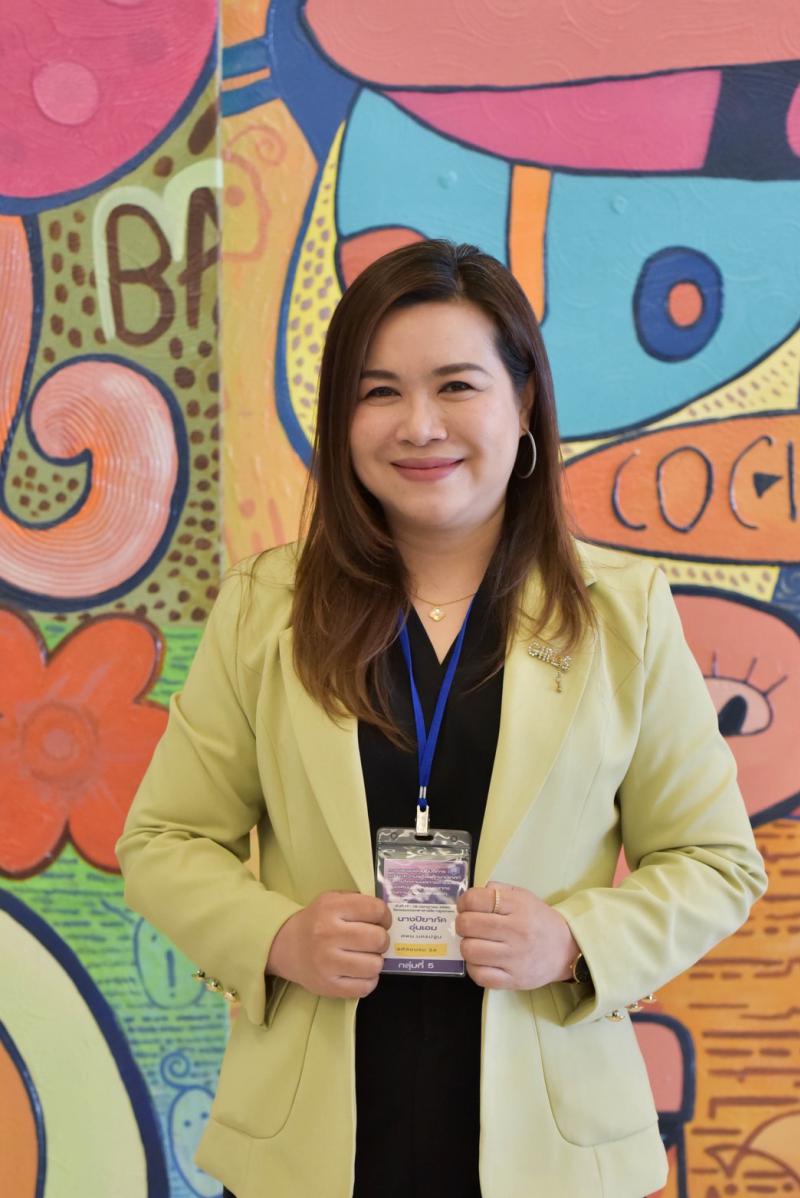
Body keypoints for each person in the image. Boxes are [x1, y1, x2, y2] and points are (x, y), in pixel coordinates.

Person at [115, 240, 767, 1198]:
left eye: (456, 385)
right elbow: (164, 840)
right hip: (311, 1146)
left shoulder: (623, 613)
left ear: (524, 402)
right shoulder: (265, 607)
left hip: (553, 1148)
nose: (419, 426)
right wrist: (278, 936)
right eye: (378, 392)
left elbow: (716, 862)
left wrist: (575, 941)